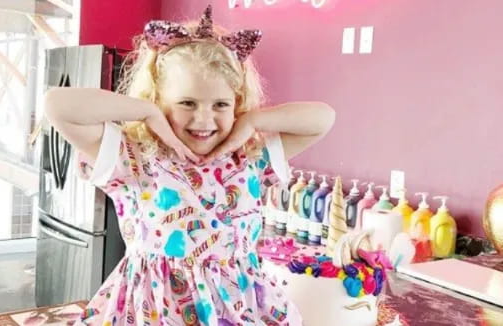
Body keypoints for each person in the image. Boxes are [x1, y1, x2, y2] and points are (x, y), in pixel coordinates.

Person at [45, 5, 335, 325]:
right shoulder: (134, 157)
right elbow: (58, 105)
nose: (203, 118)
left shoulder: (250, 158)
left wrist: (253, 121)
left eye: (220, 105)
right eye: (187, 103)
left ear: (236, 104)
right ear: (159, 97)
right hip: (153, 311)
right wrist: (147, 112)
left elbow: (322, 118)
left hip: (239, 310)